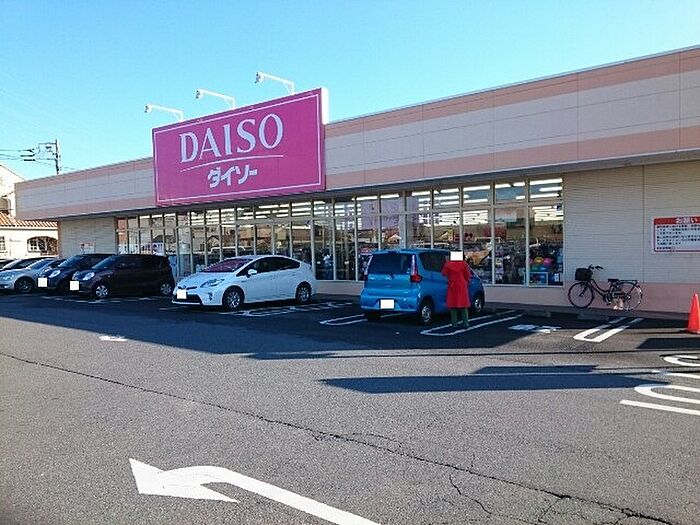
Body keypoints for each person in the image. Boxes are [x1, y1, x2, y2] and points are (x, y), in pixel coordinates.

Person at [441, 252, 472, 328]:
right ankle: (465, 323)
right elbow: (468, 275)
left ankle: (454, 323)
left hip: (452, 285)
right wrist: (468, 282)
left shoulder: (448, 264)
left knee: (452, 305)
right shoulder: (464, 264)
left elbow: (444, 273)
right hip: (462, 285)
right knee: (464, 304)